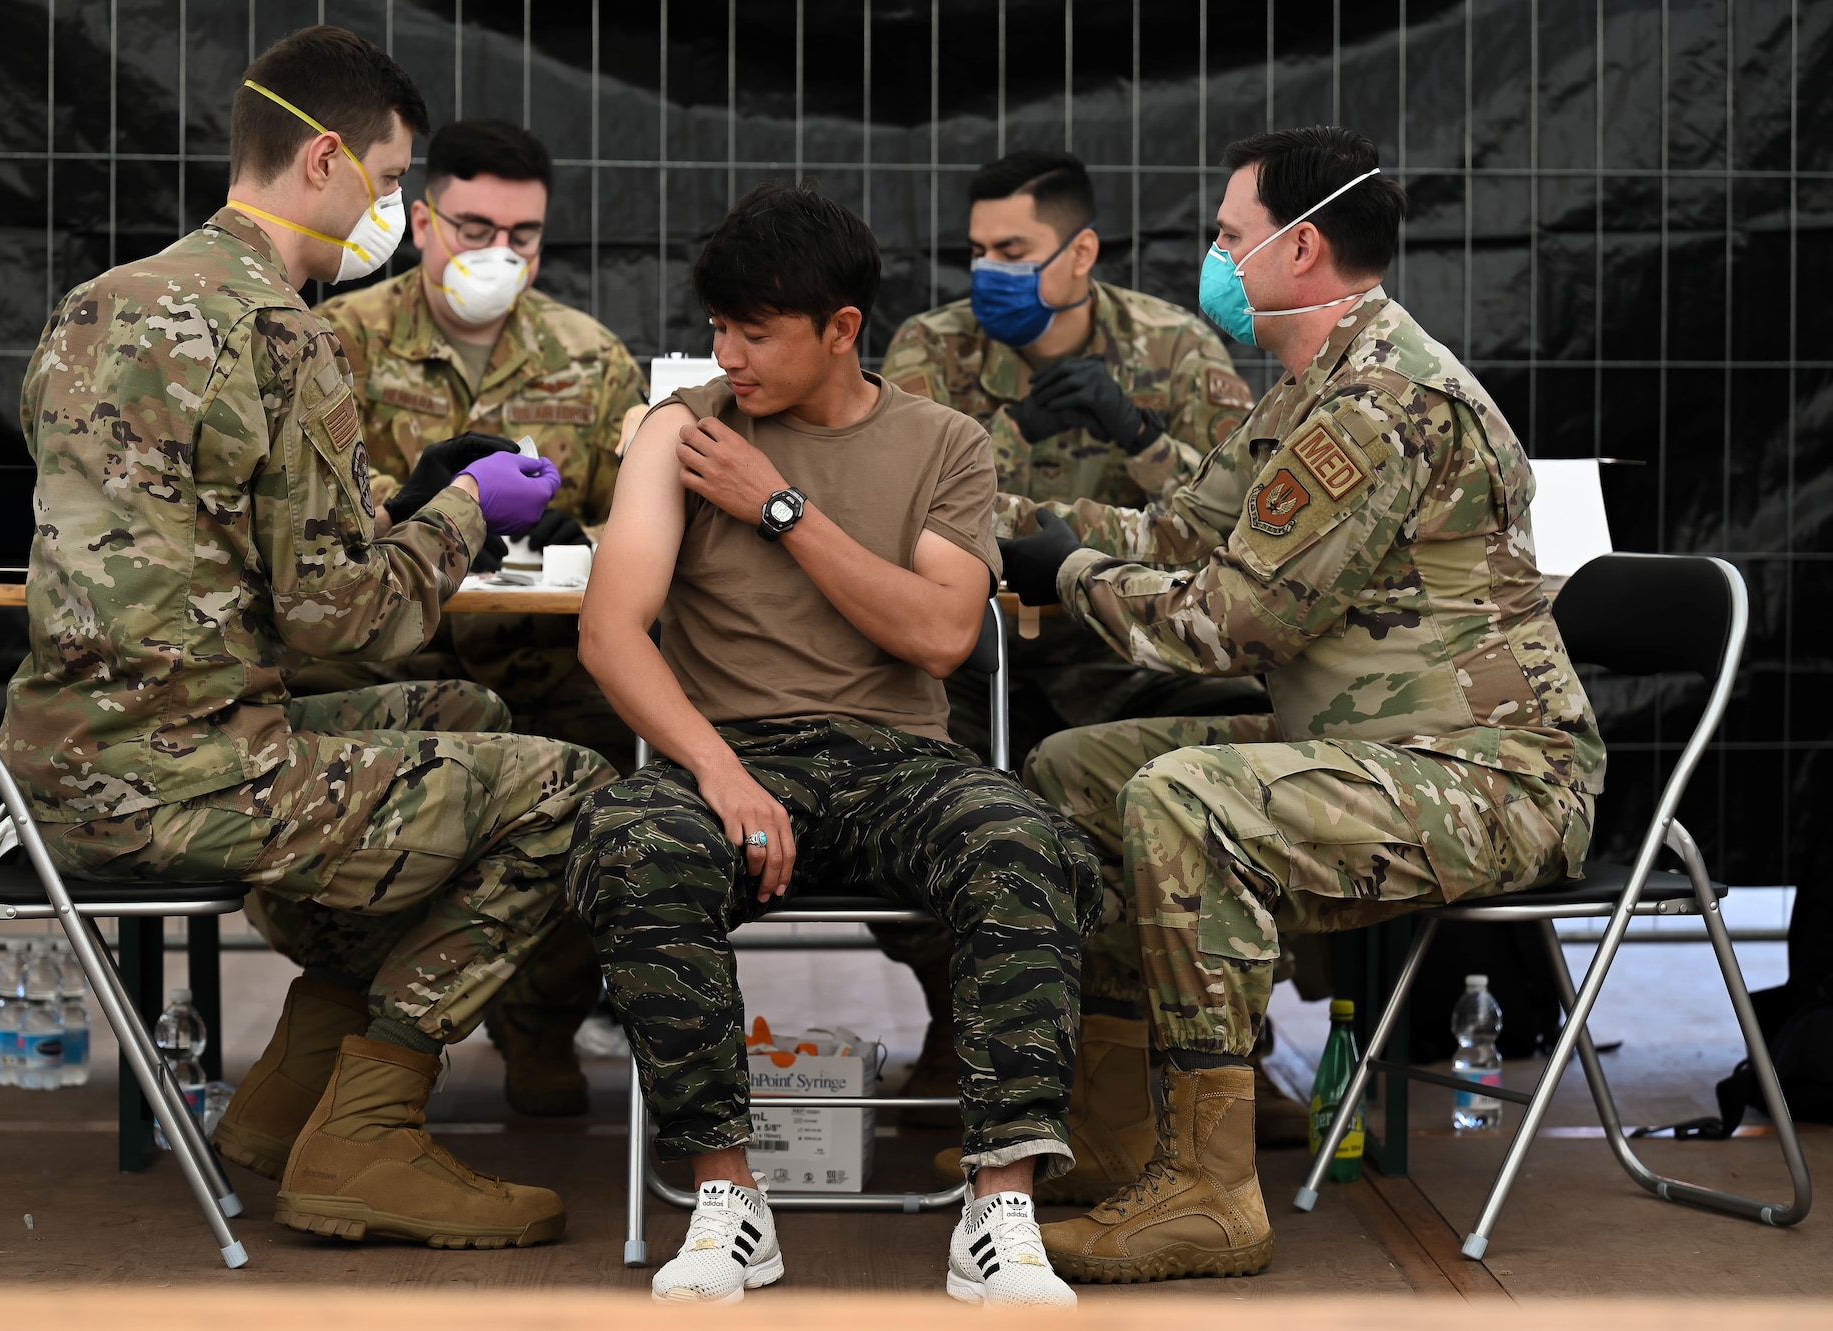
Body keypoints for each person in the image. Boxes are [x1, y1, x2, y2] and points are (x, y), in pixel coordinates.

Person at [0, 25, 616, 1250]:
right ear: (324, 159)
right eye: (392, 183)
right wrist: (464, 513)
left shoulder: (95, 304)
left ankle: (288, 1099)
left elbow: (211, 552)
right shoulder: (288, 331)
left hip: (60, 760)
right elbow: (354, 621)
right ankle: (370, 1132)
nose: (394, 210)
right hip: (187, 772)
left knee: (467, 718)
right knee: (570, 786)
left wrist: (395, 507)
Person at [997, 126, 1604, 1282]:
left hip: (1488, 775)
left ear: (1301, 244)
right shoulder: (1312, 384)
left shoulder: (1378, 403)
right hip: (1369, 746)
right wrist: (1003, 521)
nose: (1215, 257)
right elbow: (1178, 532)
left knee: (1184, 798)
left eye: (1229, 235)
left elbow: (1234, 623)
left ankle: (1209, 1188)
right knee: (1079, 770)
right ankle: (1121, 1126)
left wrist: (1063, 577)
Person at [566, 181, 1100, 1307]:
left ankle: (998, 1206)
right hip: (738, 758)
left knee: (1025, 838)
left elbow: (944, 632)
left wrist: (780, 507)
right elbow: (610, 634)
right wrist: (715, 769)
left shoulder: (944, 443)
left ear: (841, 328)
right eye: (717, 329)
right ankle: (728, 1193)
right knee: (629, 837)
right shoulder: (682, 429)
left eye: (754, 333)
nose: (727, 355)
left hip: (898, 758)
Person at [876, 150, 1284, 1171]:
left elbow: (1238, 525)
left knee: (1237, 754)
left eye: (1012, 250)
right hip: (969, 654)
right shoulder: (930, 347)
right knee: (908, 787)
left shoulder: (1173, 348)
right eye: (976, 251)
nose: (988, 272)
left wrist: (1134, 430)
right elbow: (905, 511)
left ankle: (1227, 1037)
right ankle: (959, 1028)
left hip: (1124, 646)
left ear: (1080, 252)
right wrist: (1063, 491)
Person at [311, 118, 648, 1120]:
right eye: (473, 226)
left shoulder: (590, 360)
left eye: (524, 235)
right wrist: (421, 511)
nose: (498, 254)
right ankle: (351, 1026)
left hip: (550, 673)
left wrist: (567, 534)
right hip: (387, 669)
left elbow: (635, 527)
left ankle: (539, 1019)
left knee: (626, 798)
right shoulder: (340, 345)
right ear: (421, 222)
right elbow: (307, 538)